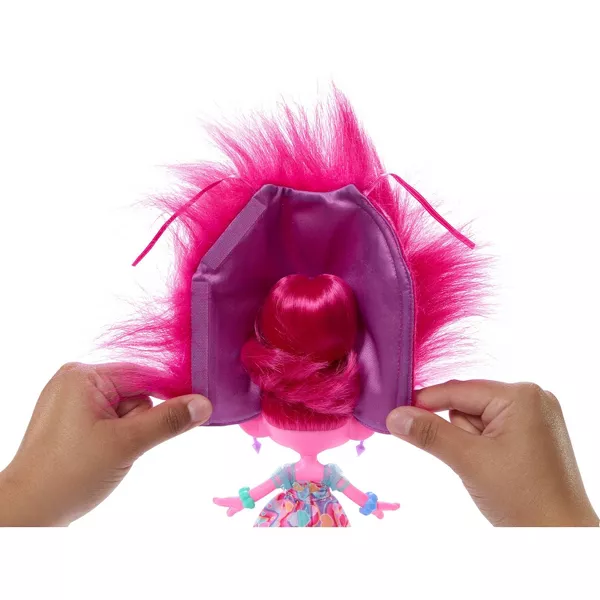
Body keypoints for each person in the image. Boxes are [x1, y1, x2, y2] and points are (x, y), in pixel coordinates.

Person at [0, 362, 596, 527]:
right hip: (289, 517)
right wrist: (241, 499)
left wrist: (371, 504)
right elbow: (270, 485)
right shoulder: (294, 481)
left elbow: (347, 490)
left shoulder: (325, 481)